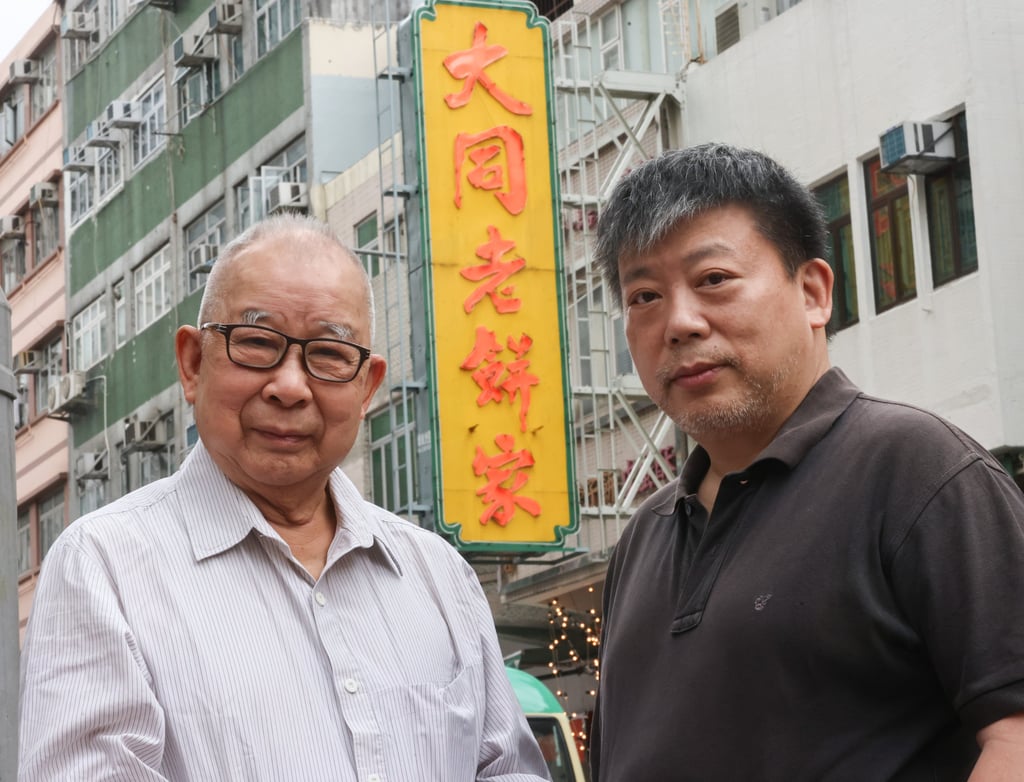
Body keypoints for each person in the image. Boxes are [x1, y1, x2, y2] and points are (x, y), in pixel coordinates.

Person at [19, 214, 552, 781]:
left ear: (367, 386)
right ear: (193, 363)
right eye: (257, 343)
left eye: (328, 355)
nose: (291, 386)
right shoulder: (104, 567)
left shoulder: (439, 576)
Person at [588, 143, 1024, 780]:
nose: (679, 323)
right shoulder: (642, 537)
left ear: (814, 291)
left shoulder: (919, 471)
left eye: (713, 280)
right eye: (644, 296)